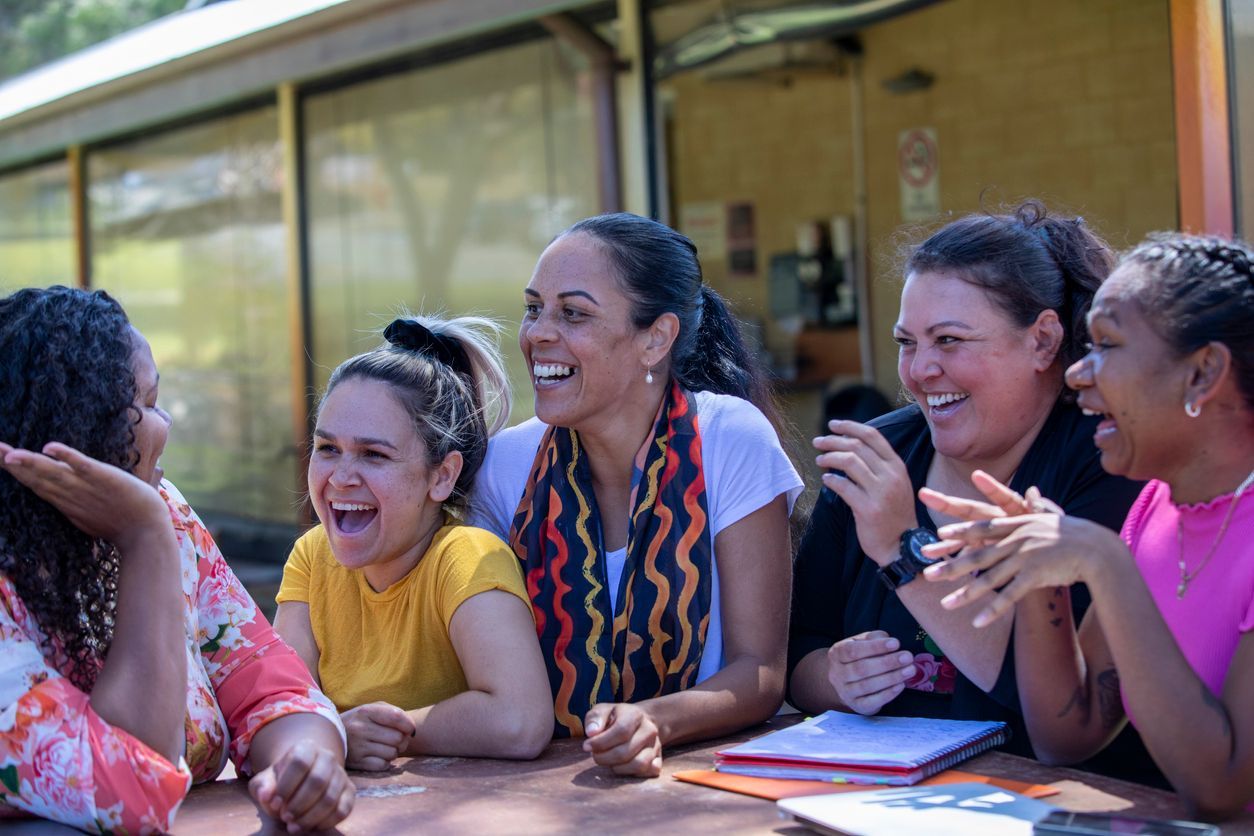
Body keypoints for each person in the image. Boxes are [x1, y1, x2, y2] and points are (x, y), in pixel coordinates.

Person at [786, 203, 1145, 755]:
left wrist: (903, 548)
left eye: (949, 340)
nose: (920, 370)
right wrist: (836, 679)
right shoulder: (876, 455)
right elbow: (797, 654)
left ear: (1043, 342)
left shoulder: (1109, 460)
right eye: (907, 343)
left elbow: (1050, 702)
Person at [921, 234, 1254, 819]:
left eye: (1107, 346)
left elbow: (1224, 788)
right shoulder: (1156, 506)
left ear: (1203, 374)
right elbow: (1068, 734)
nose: (1077, 374)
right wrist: (1039, 574)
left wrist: (1104, 562)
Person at [0, 286, 352, 834]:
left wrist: (303, 766)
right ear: (81, 429)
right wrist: (145, 541)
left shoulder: (165, 511)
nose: (167, 423)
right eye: (147, 402)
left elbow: (270, 683)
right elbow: (130, 794)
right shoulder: (151, 522)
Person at [471, 212, 803, 777]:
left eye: (573, 313)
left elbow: (761, 672)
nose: (538, 334)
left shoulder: (730, 440)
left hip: (698, 784)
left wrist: (654, 721)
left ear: (656, 339)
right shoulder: (504, 465)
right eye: (534, 309)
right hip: (532, 784)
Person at [274, 315, 552, 771]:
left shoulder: (467, 557)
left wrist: (367, 733)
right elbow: (282, 705)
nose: (342, 477)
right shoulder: (311, 554)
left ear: (442, 475)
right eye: (327, 449)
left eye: (374, 455)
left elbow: (519, 719)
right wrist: (338, 733)